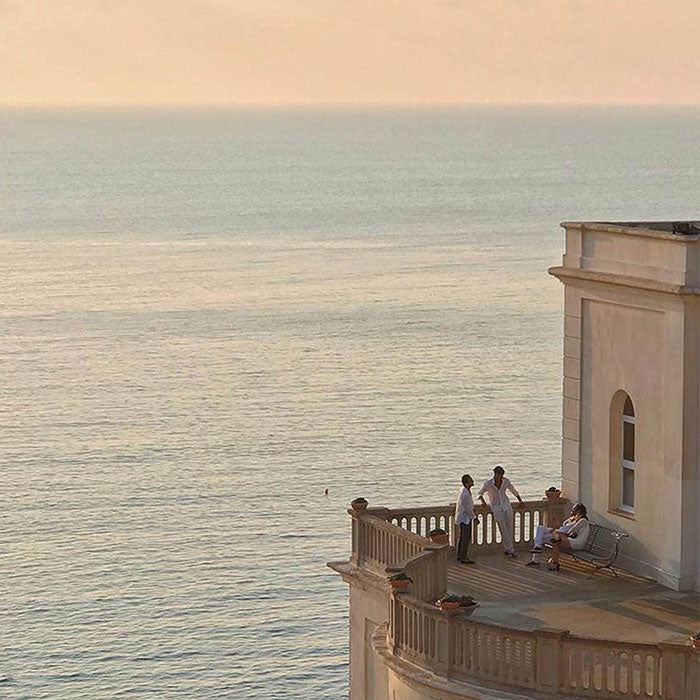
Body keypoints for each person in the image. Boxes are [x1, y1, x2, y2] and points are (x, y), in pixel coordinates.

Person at [478, 465, 523, 558]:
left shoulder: (505, 481)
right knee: (502, 527)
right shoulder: (488, 483)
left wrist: (520, 500)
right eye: (498, 475)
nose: (499, 477)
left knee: (510, 527)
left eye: (501, 476)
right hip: (496, 507)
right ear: (495, 474)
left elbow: (513, 490)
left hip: (506, 505)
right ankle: (511, 550)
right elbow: (480, 493)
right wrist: (483, 502)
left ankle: (508, 548)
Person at [543, 503, 590, 571]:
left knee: (556, 540)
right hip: (573, 540)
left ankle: (555, 561)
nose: (572, 511)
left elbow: (571, 531)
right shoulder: (579, 520)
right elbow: (566, 526)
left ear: (578, 511)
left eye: (573, 510)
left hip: (577, 543)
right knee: (556, 541)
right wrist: (570, 519)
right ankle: (555, 562)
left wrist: (571, 521)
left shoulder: (583, 521)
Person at [455, 474, 479, 564]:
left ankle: (460, 555)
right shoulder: (465, 494)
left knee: (462, 537)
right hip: (465, 518)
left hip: (464, 517)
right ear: (467, 483)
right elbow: (468, 509)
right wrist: (475, 518)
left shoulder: (464, 490)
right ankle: (463, 557)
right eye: (471, 480)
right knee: (465, 538)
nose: (473, 481)